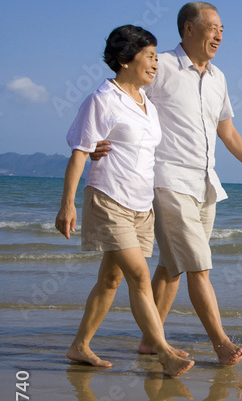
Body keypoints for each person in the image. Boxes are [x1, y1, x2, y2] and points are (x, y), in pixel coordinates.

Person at [128, 1, 242, 365]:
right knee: (199, 265)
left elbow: (226, 129)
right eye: (213, 27)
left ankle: (151, 340)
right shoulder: (159, 65)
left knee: (171, 266)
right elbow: (127, 97)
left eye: (222, 29)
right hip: (168, 179)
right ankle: (221, 344)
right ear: (188, 29)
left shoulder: (218, 78)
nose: (220, 35)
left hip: (206, 184)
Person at [56, 25, 194, 377]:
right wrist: (67, 205)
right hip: (109, 199)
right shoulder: (102, 100)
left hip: (140, 205)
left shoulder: (146, 102)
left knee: (111, 280)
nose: (155, 63)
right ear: (124, 60)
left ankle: (79, 346)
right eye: (148, 56)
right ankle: (163, 351)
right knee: (139, 276)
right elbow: (79, 153)